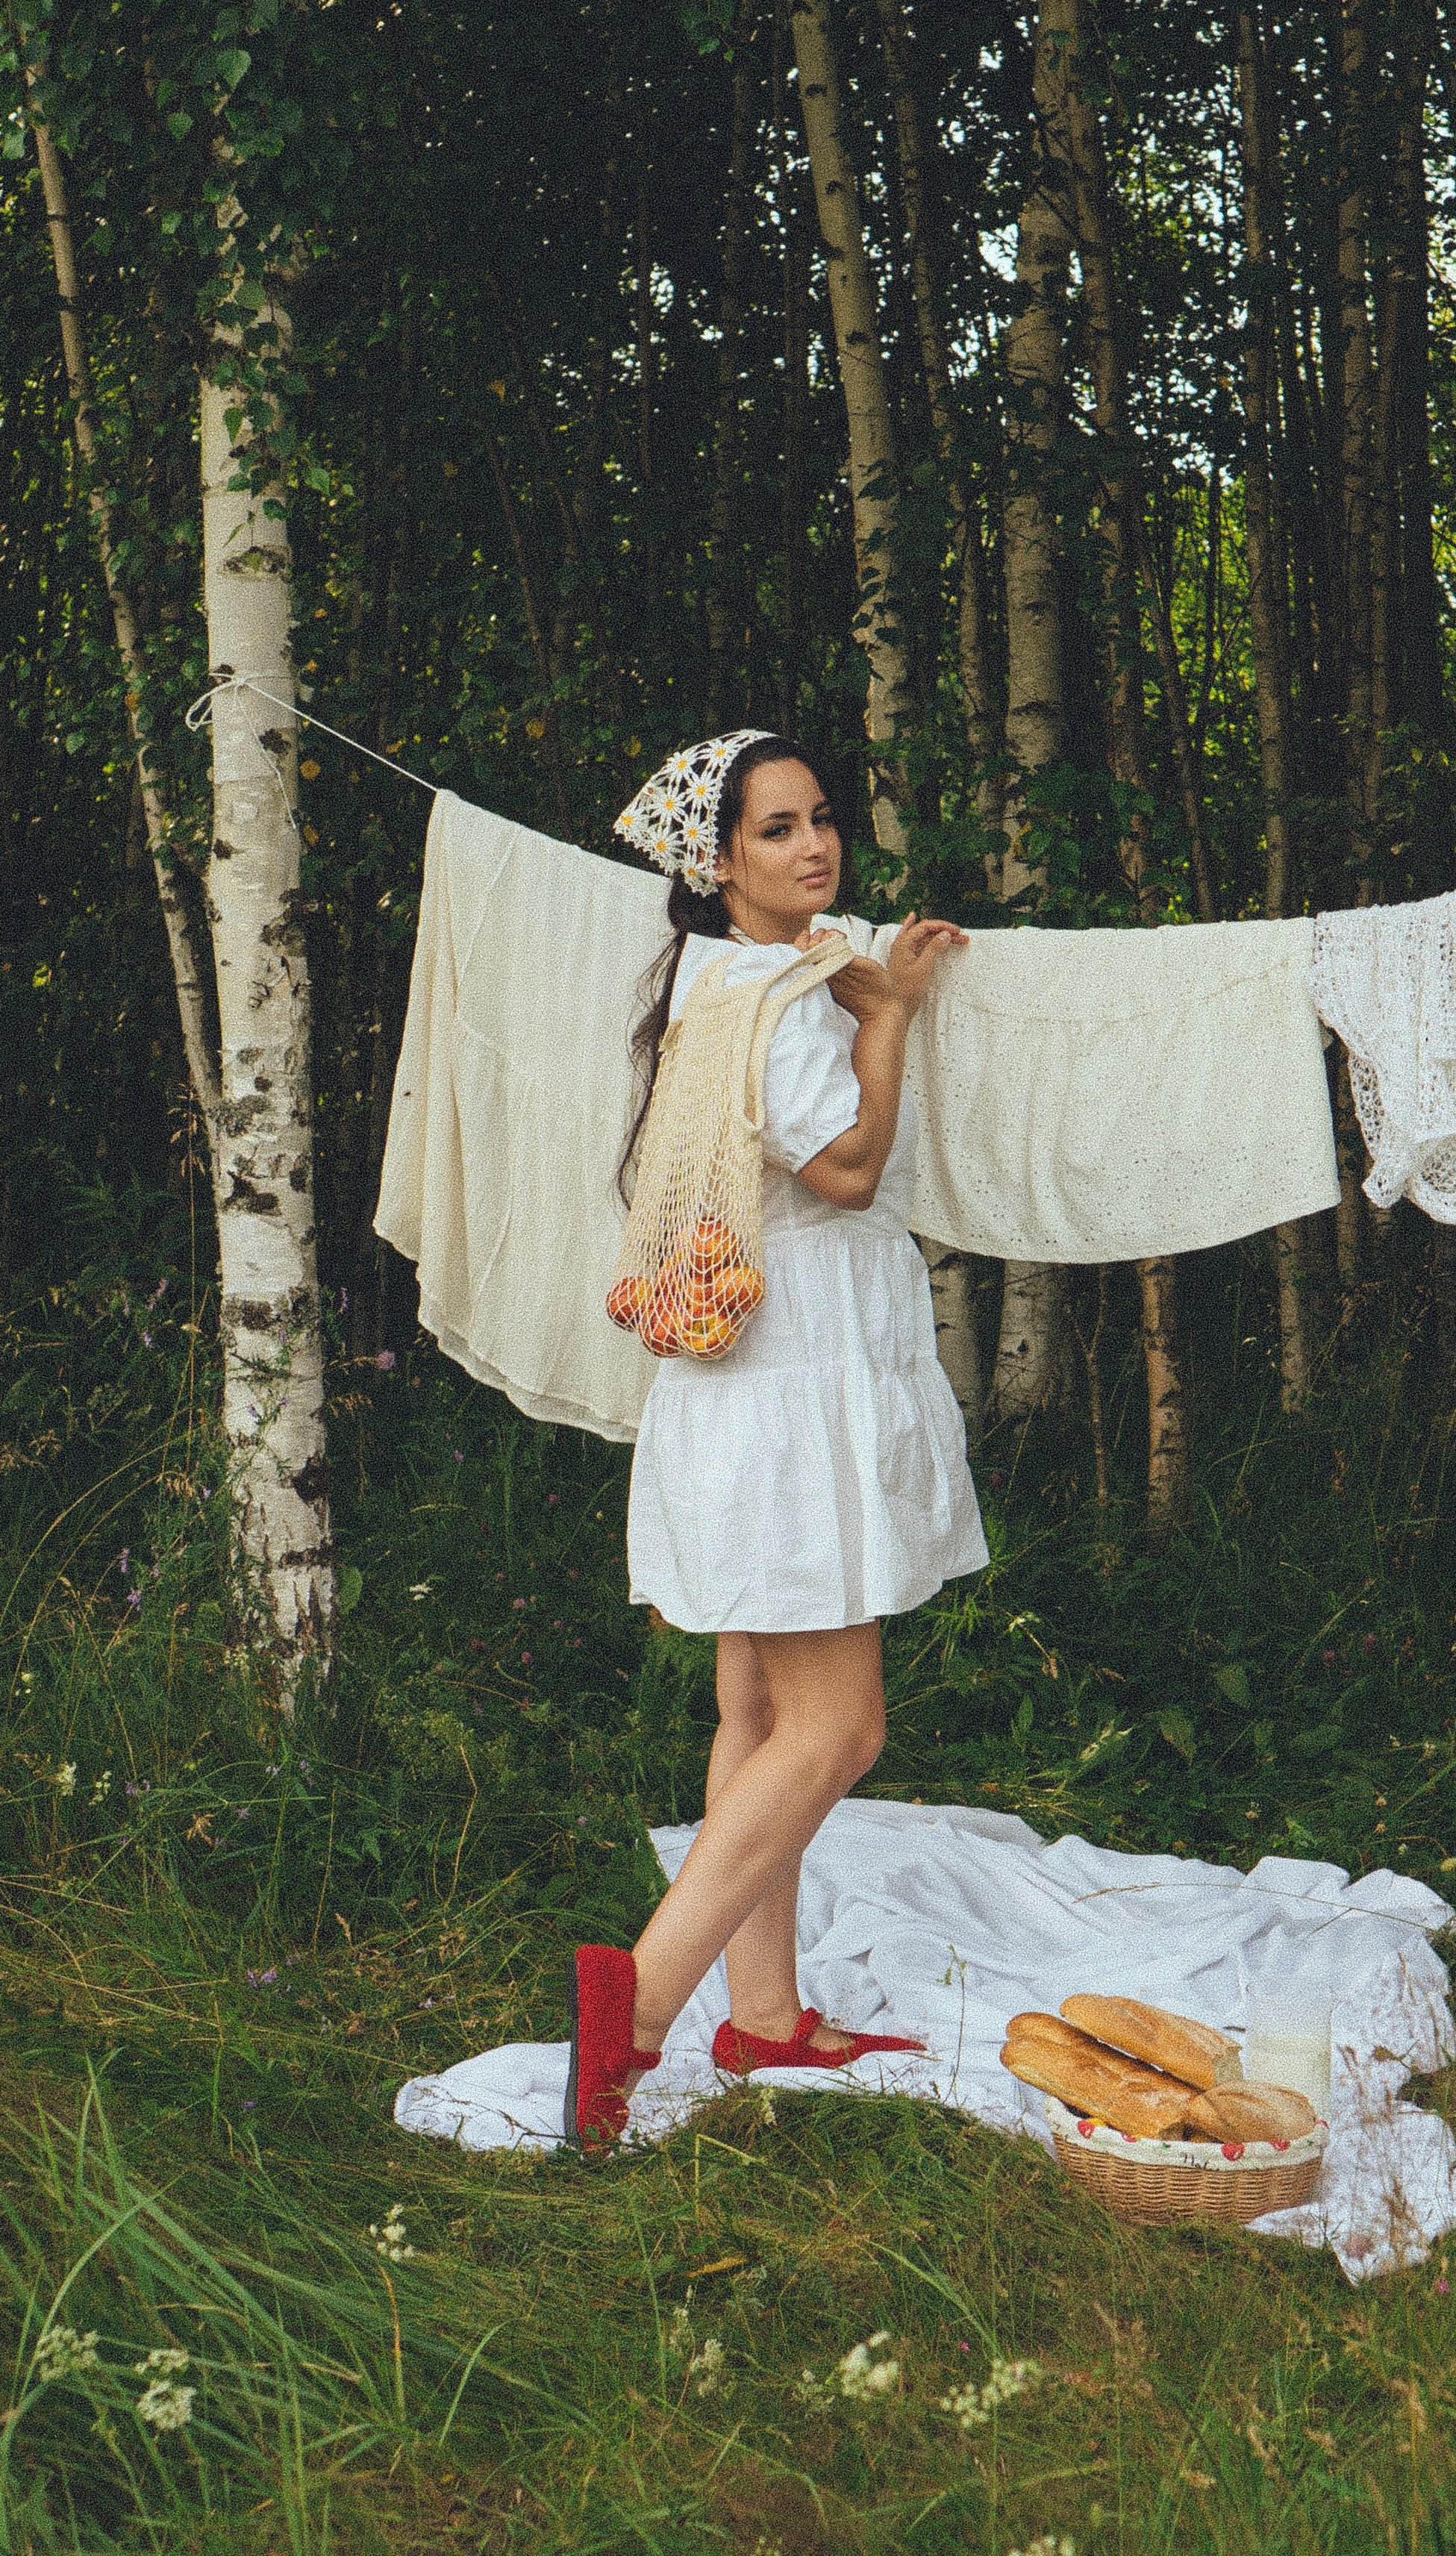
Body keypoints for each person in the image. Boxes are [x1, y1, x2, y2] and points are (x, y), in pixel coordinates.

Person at [566, 728, 987, 2145]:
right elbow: (849, 1172)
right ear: (720, 864)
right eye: (776, 831)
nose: (815, 848)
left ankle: (761, 2017)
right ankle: (638, 2003)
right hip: (794, 1385)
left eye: (821, 820)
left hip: (758, 1382)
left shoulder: (737, 973)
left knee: (753, 1715)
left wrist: (857, 985)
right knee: (839, 1727)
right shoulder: (773, 998)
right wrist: (890, 1017)